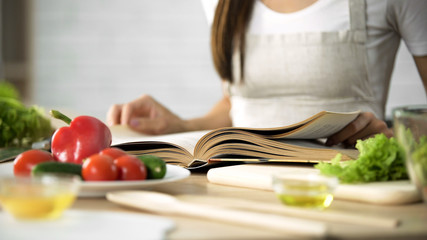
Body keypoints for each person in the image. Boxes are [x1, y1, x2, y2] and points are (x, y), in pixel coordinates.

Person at [107, 0, 427, 147]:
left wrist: (396, 142)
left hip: (342, 190)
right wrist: (181, 125)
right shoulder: (219, 3)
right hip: (240, 186)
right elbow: (238, 105)